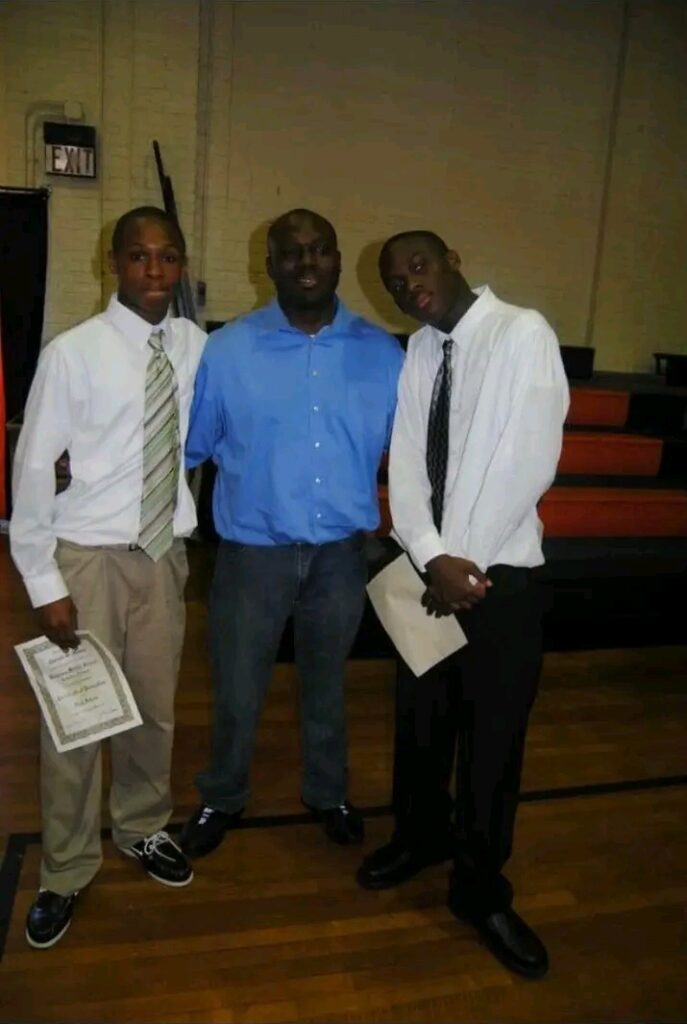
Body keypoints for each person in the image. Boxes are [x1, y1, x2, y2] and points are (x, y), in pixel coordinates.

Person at [356, 230, 569, 979]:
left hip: (497, 584)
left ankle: (480, 890)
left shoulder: (522, 333)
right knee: (420, 722)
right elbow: (409, 462)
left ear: (452, 260)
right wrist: (427, 552)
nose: (408, 285)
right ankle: (420, 836)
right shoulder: (420, 351)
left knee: (490, 746)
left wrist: (462, 562)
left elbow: (529, 461)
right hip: (432, 570)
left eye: (417, 266)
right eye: (393, 281)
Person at [10, 207, 206, 949]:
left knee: (153, 709)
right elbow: (32, 468)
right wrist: (42, 581)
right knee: (76, 722)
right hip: (85, 559)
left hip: (161, 556)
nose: (153, 272)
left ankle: (143, 825)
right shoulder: (73, 353)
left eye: (167, 258)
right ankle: (64, 868)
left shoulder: (193, 346)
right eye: (137, 257)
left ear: (181, 266)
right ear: (113, 264)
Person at [180, 209, 404, 857]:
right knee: (237, 689)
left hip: (342, 556)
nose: (307, 264)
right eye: (291, 253)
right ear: (269, 264)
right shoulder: (227, 351)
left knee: (328, 684)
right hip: (252, 556)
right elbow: (190, 449)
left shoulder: (380, 355)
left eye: (320, 250)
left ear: (336, 259)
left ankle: (327, 792)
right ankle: (222, 795)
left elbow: (412, 452)